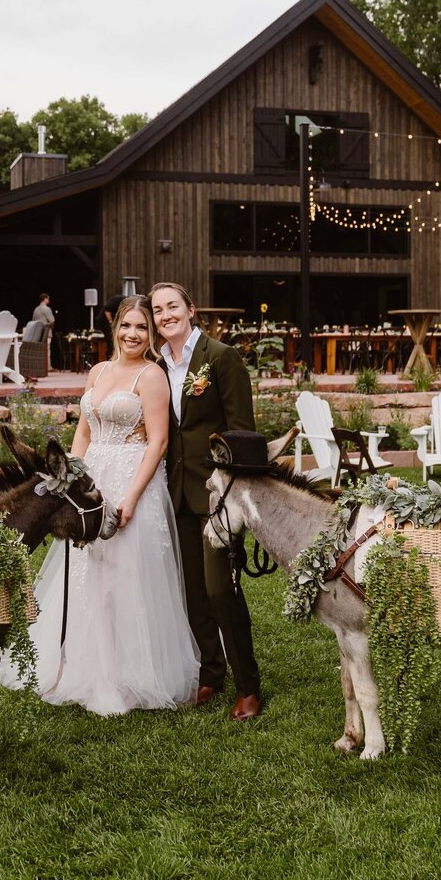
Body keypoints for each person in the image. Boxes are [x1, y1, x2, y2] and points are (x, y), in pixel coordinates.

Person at [0, 295, 199, 715]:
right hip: (89, 481)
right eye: (127, 326)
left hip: (130, 479)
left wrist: (131, 498)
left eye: (142, 327)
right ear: (115, 327)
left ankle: (125, 675)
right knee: (88, 573)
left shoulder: (151, 375)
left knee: (123, 576)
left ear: (152, 333)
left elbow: (158, 442)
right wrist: (69, 480)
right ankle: (80, 665)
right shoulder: (99, 371)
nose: (133, 334)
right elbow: (83, 433)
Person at [150, 281, 261, 721]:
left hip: (217, 494)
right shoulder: (157, 365)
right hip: (175, 493)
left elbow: (243, 434)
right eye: (157, 310)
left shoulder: (220, 358)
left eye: (172, 306)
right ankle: (211, 673)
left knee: (221, 590)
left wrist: (235, 495)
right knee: (192, 592)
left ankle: (248, 685)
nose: (165, 316)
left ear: (190, 309)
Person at [32, 292, 56, 370]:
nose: (48, 300)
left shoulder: (36, 309)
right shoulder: (47, 309)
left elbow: (33, 321)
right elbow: (52, 320)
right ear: (45, 299)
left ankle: (39, 367)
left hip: (37, 333)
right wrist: (49, 325)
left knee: (39, 351)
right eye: (48, 298)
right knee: (47, 350)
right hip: (46, 332)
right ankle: (48, 367)